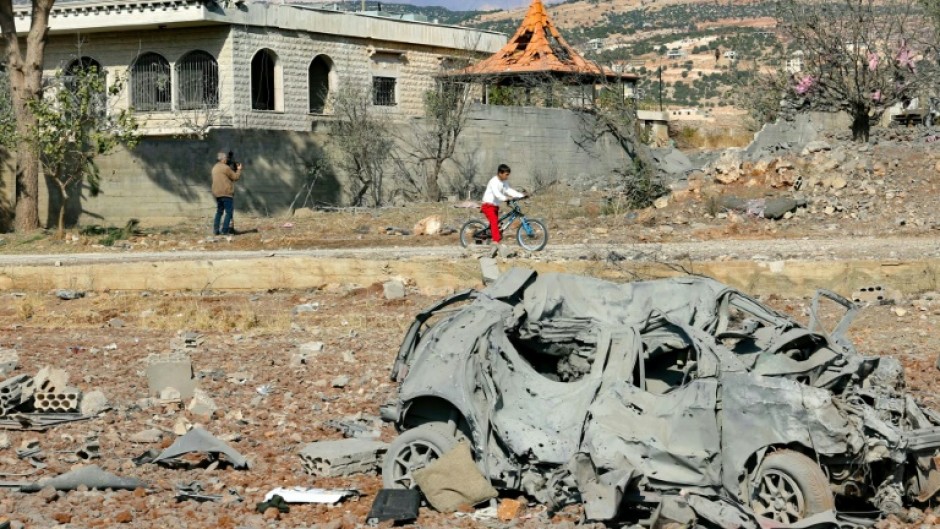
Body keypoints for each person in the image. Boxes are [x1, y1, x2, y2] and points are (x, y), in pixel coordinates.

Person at [481, 164, 526, 245]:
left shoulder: (504, 181)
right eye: (506, 174)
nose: (507, 177)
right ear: (500, 173)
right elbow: (497, 194)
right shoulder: (493, 181)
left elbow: (508, 190)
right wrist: (506, 198)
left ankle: (489, 235)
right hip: (487, 205)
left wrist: (521, 195)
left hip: (495, 206)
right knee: (494, 222)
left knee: (496, 223)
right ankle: (496, 241)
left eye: (508, 174)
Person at [211, 151, 243, 236]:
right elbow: (235, 177)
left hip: (217, 193)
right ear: (223, 159)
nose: (226, 160)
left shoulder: (214, 167)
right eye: (225, 158)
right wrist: (239, 170)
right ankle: (225, 230)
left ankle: (216, 230)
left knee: (219, 211)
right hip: (226, 193)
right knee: (229, 212)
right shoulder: (225, 168)